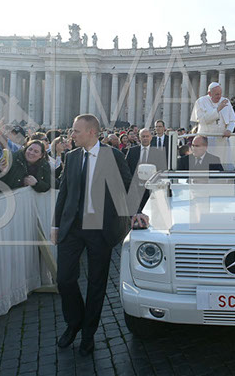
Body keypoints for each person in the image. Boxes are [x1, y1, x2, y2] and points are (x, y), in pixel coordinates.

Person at [52, 114, 149, 355]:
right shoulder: (71, 156)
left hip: (101, 228)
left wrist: (137, 212)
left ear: (91, 132)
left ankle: (88, 333)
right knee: (64, 279)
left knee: (96, 283)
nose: (71, 135)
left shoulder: (113, 155)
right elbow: (64, 192)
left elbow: (128, 184)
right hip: (72, 227)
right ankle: (74, 322)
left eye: (76, 131)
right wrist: (56, 226)